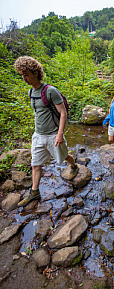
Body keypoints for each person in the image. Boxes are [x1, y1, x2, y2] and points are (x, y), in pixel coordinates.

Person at [14, 56, 79, 207]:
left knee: (63, 157)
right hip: (38, 135)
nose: (24, 78)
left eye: (27, 75)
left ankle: (74, 166)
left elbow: (63, 113)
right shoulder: (31, 92)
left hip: (53, 135)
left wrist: (60, 134)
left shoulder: (50, 91)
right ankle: (34, 192)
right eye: (22, 75)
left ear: (35, 73)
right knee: (35, 164)